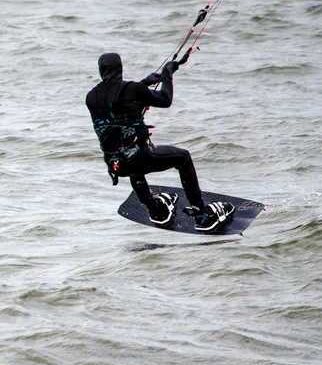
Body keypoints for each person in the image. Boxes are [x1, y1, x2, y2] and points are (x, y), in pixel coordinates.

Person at [85, 51, 234, 231]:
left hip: (116, 166)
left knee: (127, 154)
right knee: (183, 158)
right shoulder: (134, 90)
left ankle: (156, 209)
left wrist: (145, 83)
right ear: (121, 69)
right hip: (140, 159)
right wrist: (167, 75)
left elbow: (116, 102)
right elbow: (165, 100)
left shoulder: (91, 97)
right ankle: (202, 215)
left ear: (101, 71)